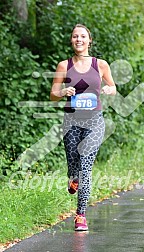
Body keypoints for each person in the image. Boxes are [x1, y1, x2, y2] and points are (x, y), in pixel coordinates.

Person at [50, 24, 116, 231]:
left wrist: (108, 88)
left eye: (83, 36)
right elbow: (53, 95)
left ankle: (80, 216)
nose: (79, 39)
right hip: (71, 121)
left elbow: (113, 87)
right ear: (71, 40)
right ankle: (73, 178)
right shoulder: (64, 66)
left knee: (86, 167)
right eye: (75, 36)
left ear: (89, 40)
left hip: (95, 122)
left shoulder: (101, 65)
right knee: (74, 167)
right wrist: (63, 92)